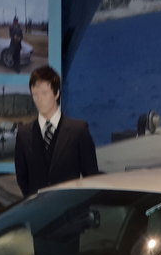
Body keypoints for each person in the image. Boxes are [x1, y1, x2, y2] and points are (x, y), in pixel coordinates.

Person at [14, 65, 98, 197]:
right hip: (37, 206)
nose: (39, 99)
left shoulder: (78, 131)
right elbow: (22, 178)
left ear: (56, 93)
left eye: (44, 93)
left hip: (70, 205)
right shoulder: (23, 134)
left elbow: (91, 176)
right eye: (35, 94)